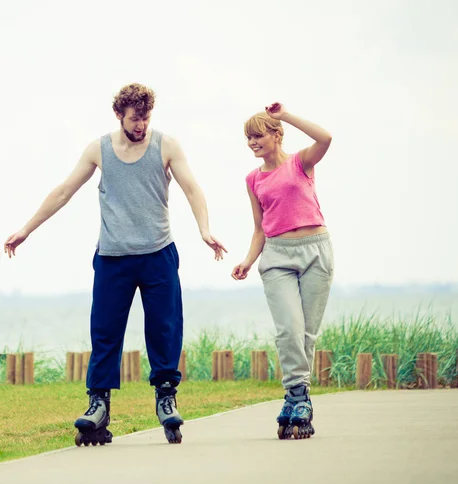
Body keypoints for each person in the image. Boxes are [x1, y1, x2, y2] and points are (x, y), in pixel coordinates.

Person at [4, 83, 227, 445]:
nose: (141, 126)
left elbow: (191, 188)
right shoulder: (100, 149)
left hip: (158, 253)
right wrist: (26, 229)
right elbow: (64, 191)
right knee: (105, 332)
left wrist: (205, 229)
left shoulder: (166, 145)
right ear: (119, 115)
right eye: (135, 118)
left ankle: (166, 396)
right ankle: (99, 405)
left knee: (165, 327)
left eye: (146, 118)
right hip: (113, 257)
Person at [232, 102, 333, 440]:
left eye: (257, 135)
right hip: (276, 256)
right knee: (289, 329)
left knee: (307, 333)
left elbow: (326, 137)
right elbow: (260, 227)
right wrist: (247, 260)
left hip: (316, 249)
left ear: (276, 135)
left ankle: (294, 397)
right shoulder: (253, 179)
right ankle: (299, 395)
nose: (252, 142)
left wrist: (285, 115)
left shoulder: (300, 163)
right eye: (248, 138)